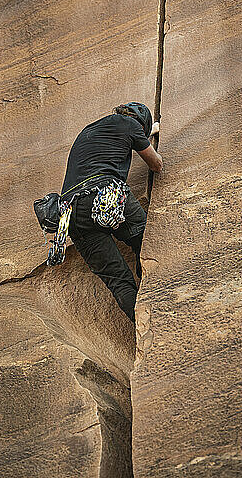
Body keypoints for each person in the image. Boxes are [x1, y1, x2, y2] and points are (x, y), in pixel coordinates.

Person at [60, 102, 163, 323]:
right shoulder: (130, 125)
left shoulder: (89, 130)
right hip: (103, 193)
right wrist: (146, 140)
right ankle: (150, 282)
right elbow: (156, 164)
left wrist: (145, 133)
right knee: (148, 240)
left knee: (118, 280)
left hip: (70, 213)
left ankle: (145, 324)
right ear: (140, 122)